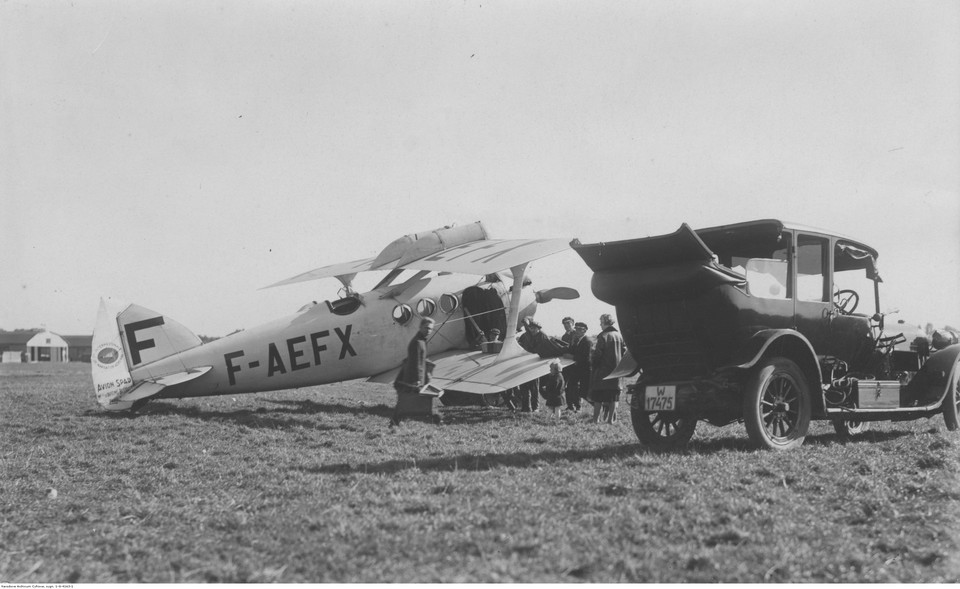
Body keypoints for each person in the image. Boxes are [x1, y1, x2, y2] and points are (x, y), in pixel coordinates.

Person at [391, 318, 440, 426]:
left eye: (430, 329)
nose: (428, 331)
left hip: (413, 378)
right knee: (405, 402)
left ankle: (395, 423)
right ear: (420, 327)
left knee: (405, 402)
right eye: (426, 328)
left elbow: (420, 360)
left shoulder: (422, 341)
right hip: (411, 379)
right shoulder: (418, 342)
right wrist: (417, 380)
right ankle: (395, 423)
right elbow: (415, 362)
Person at [590, 314, 626, 424]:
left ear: (605, 322)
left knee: (598, 398)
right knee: (613, 398)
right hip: (616, 372)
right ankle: (611, 420)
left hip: (603, 372)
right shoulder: (619, 336)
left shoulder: (603, 336)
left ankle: (596, 420)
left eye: (601, 321)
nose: (600, 324)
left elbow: (598, 354)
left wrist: (593, 364)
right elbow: (624, 352)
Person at [566, 321, 593, 413]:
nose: (576, 331)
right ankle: (577, 406)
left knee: (584, 392)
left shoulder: (587, 341)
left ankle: (599, 405)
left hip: (585, 370)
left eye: (579, 329)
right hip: (577, 369)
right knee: (572, 387)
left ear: (584, 331)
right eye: (576, 329)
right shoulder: (576, 340)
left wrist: (572, 357)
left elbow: (586, 357)